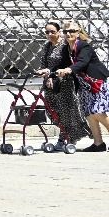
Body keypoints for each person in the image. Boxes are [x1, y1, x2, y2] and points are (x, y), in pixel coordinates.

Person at [56, 23, 109, 152]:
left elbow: (83, 62)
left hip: (98, 81)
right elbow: (61, 63)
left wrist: (69, 69)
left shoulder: (84, 46)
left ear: (78, 32)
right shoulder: (67, 48)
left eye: (71, 31)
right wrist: (48, 71)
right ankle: (98, 143)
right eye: (65, 32)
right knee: (89, 112)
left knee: (97, 110)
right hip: (85, 84)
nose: (68, 34)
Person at [36, 21, 88, 151]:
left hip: (64, 84)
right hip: (50, 85)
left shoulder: (65, 45)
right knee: (53, 112)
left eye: (52, 32)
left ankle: (68, 139)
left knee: (67, 112)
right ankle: (65, 136)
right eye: (47, 32)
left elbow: (67, 63)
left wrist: (55, 75)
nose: (49, 34)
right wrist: (46, 75)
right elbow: (44, 64)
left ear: (59, 32)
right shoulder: (47, 46)